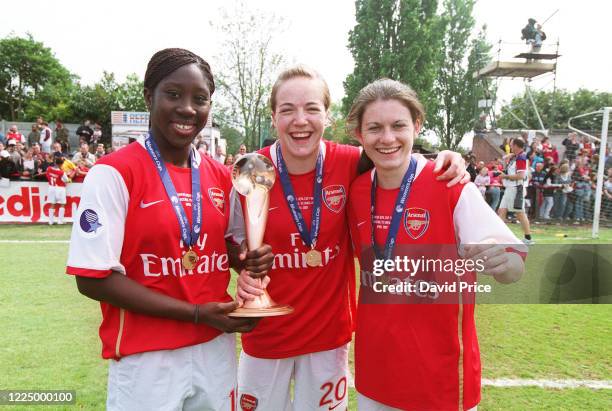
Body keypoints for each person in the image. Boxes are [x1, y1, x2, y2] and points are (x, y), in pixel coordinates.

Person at [233, 66, 468, 410]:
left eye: (312, 108)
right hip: (267, 335)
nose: (300, 120)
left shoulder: (350, 161)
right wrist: (243, 271)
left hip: (328, 339)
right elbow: (234, 243)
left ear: (327, 116)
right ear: (273, 117)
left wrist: (443, 158)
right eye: (287, 109)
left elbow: (394, 156)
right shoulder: (252, 168)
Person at [65, 48, 273, 411]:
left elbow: (227, 249)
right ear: (150, 96)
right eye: (173, 95)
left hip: (214, 350)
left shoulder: (219, 175)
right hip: (147, 358)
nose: (188, 109)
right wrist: (194, 313)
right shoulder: (113, 173)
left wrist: (250, 260)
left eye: (200, 99)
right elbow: (92, 278)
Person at [344, 78, 525, 411]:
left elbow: (514, 268)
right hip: (375, 376)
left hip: (440, 380)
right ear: (359, 134)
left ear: (416, 125)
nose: (387, 138)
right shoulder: (355, 193)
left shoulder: (450, 184)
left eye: (398, 125)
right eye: (374, 128)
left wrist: (504, 264)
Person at [498, 138, 534, 244]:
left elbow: (520, 176)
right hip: (510, 188)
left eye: (511, 145)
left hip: (515, 188)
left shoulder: (521, 158)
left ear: (516, 146)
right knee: (502, 211)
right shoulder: (518, 156)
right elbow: (507, 157)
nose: (510, 147)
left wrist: (505, 176)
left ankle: (528, 238)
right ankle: (500, 237)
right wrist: (511, 155)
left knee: (520, 213)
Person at [46, 153, 69, 225]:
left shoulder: (49, 169)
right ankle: (60, 221)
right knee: (62, 204)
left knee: (52, 204)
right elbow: (66, 180)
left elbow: (47, 176)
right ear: (61, 164)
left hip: (51, 187)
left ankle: (50, 221)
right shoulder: (61, 172)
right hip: (60, 188)